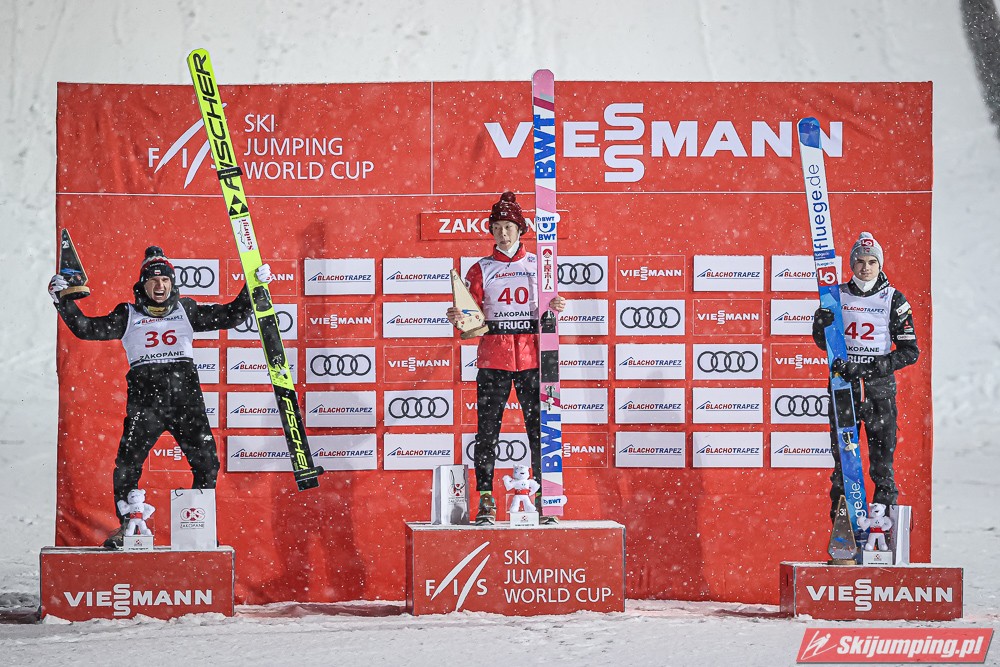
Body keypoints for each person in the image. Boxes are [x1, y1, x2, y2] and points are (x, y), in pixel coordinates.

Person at [48, 245, 271, 549]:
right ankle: (127, 527)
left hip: (186, 404)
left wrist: (253, 286)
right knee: (127, 465)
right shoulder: (127, 314)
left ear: (172, 283)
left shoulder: (186, 310)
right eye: (153, 280)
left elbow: (232, 315)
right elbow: (86, 329)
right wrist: (62, 299)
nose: (160, 285)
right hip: (146, 405)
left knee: (207, 464)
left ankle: (199, 527)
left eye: (165, 279)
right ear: (143, 284)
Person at [447, 191, 566, 526]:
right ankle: (486, 499)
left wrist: (557, 306)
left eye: (509, 227)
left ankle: (545, 498)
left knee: (541, 430)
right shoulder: (480, 268)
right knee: (487, 432)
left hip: (535, 359)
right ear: (491, 231)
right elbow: (470, 316)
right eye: (497, 227)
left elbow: (551, 309)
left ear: (520, 229)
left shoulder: (540, 265)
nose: (503, 233)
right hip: (493, 360)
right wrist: (459, 317)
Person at [811, 231, 919, 520]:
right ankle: (843, 529)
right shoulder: (837, 295)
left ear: (880, 265)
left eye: (872, 261)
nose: (866, 267)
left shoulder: (893, 298)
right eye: (860, 261)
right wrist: (819, 327)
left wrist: (870, 368)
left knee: (882, 468)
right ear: (852, 264)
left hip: (879, 394)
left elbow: (910, 351)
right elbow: (825, 343)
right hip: (843, 390)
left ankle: (883, 528)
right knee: (843, 467)